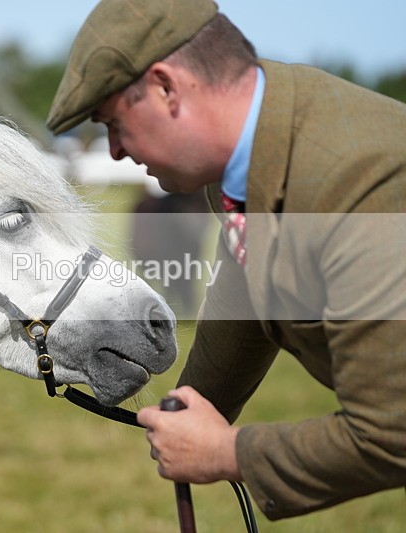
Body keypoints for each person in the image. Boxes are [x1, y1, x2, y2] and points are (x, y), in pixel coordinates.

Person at [47, 0, 406, 522]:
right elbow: (245, 297)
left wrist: (225, 453)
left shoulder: (358, 179)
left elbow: (392, 432)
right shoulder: (248, 157)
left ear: (167, 87)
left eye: (114, 123)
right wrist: (189, 405)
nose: (117, 151)